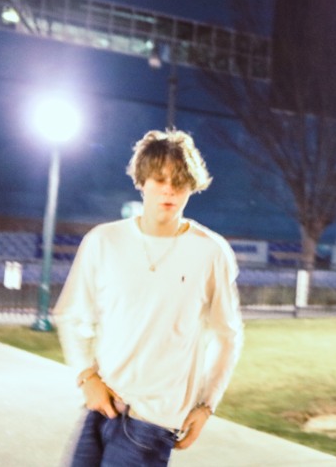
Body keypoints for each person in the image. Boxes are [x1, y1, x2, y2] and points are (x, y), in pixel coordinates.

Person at [54, 129, 244, 466]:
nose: (169, 189)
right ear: (142, 181)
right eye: (159, 179)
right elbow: (71, 314)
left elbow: (227, 335)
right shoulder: (104, 241)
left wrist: (206, 405)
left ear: (192, 186)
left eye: (179, 181)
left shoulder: (211, 252)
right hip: (101, 404)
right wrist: (86, 376)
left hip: (153, 420)